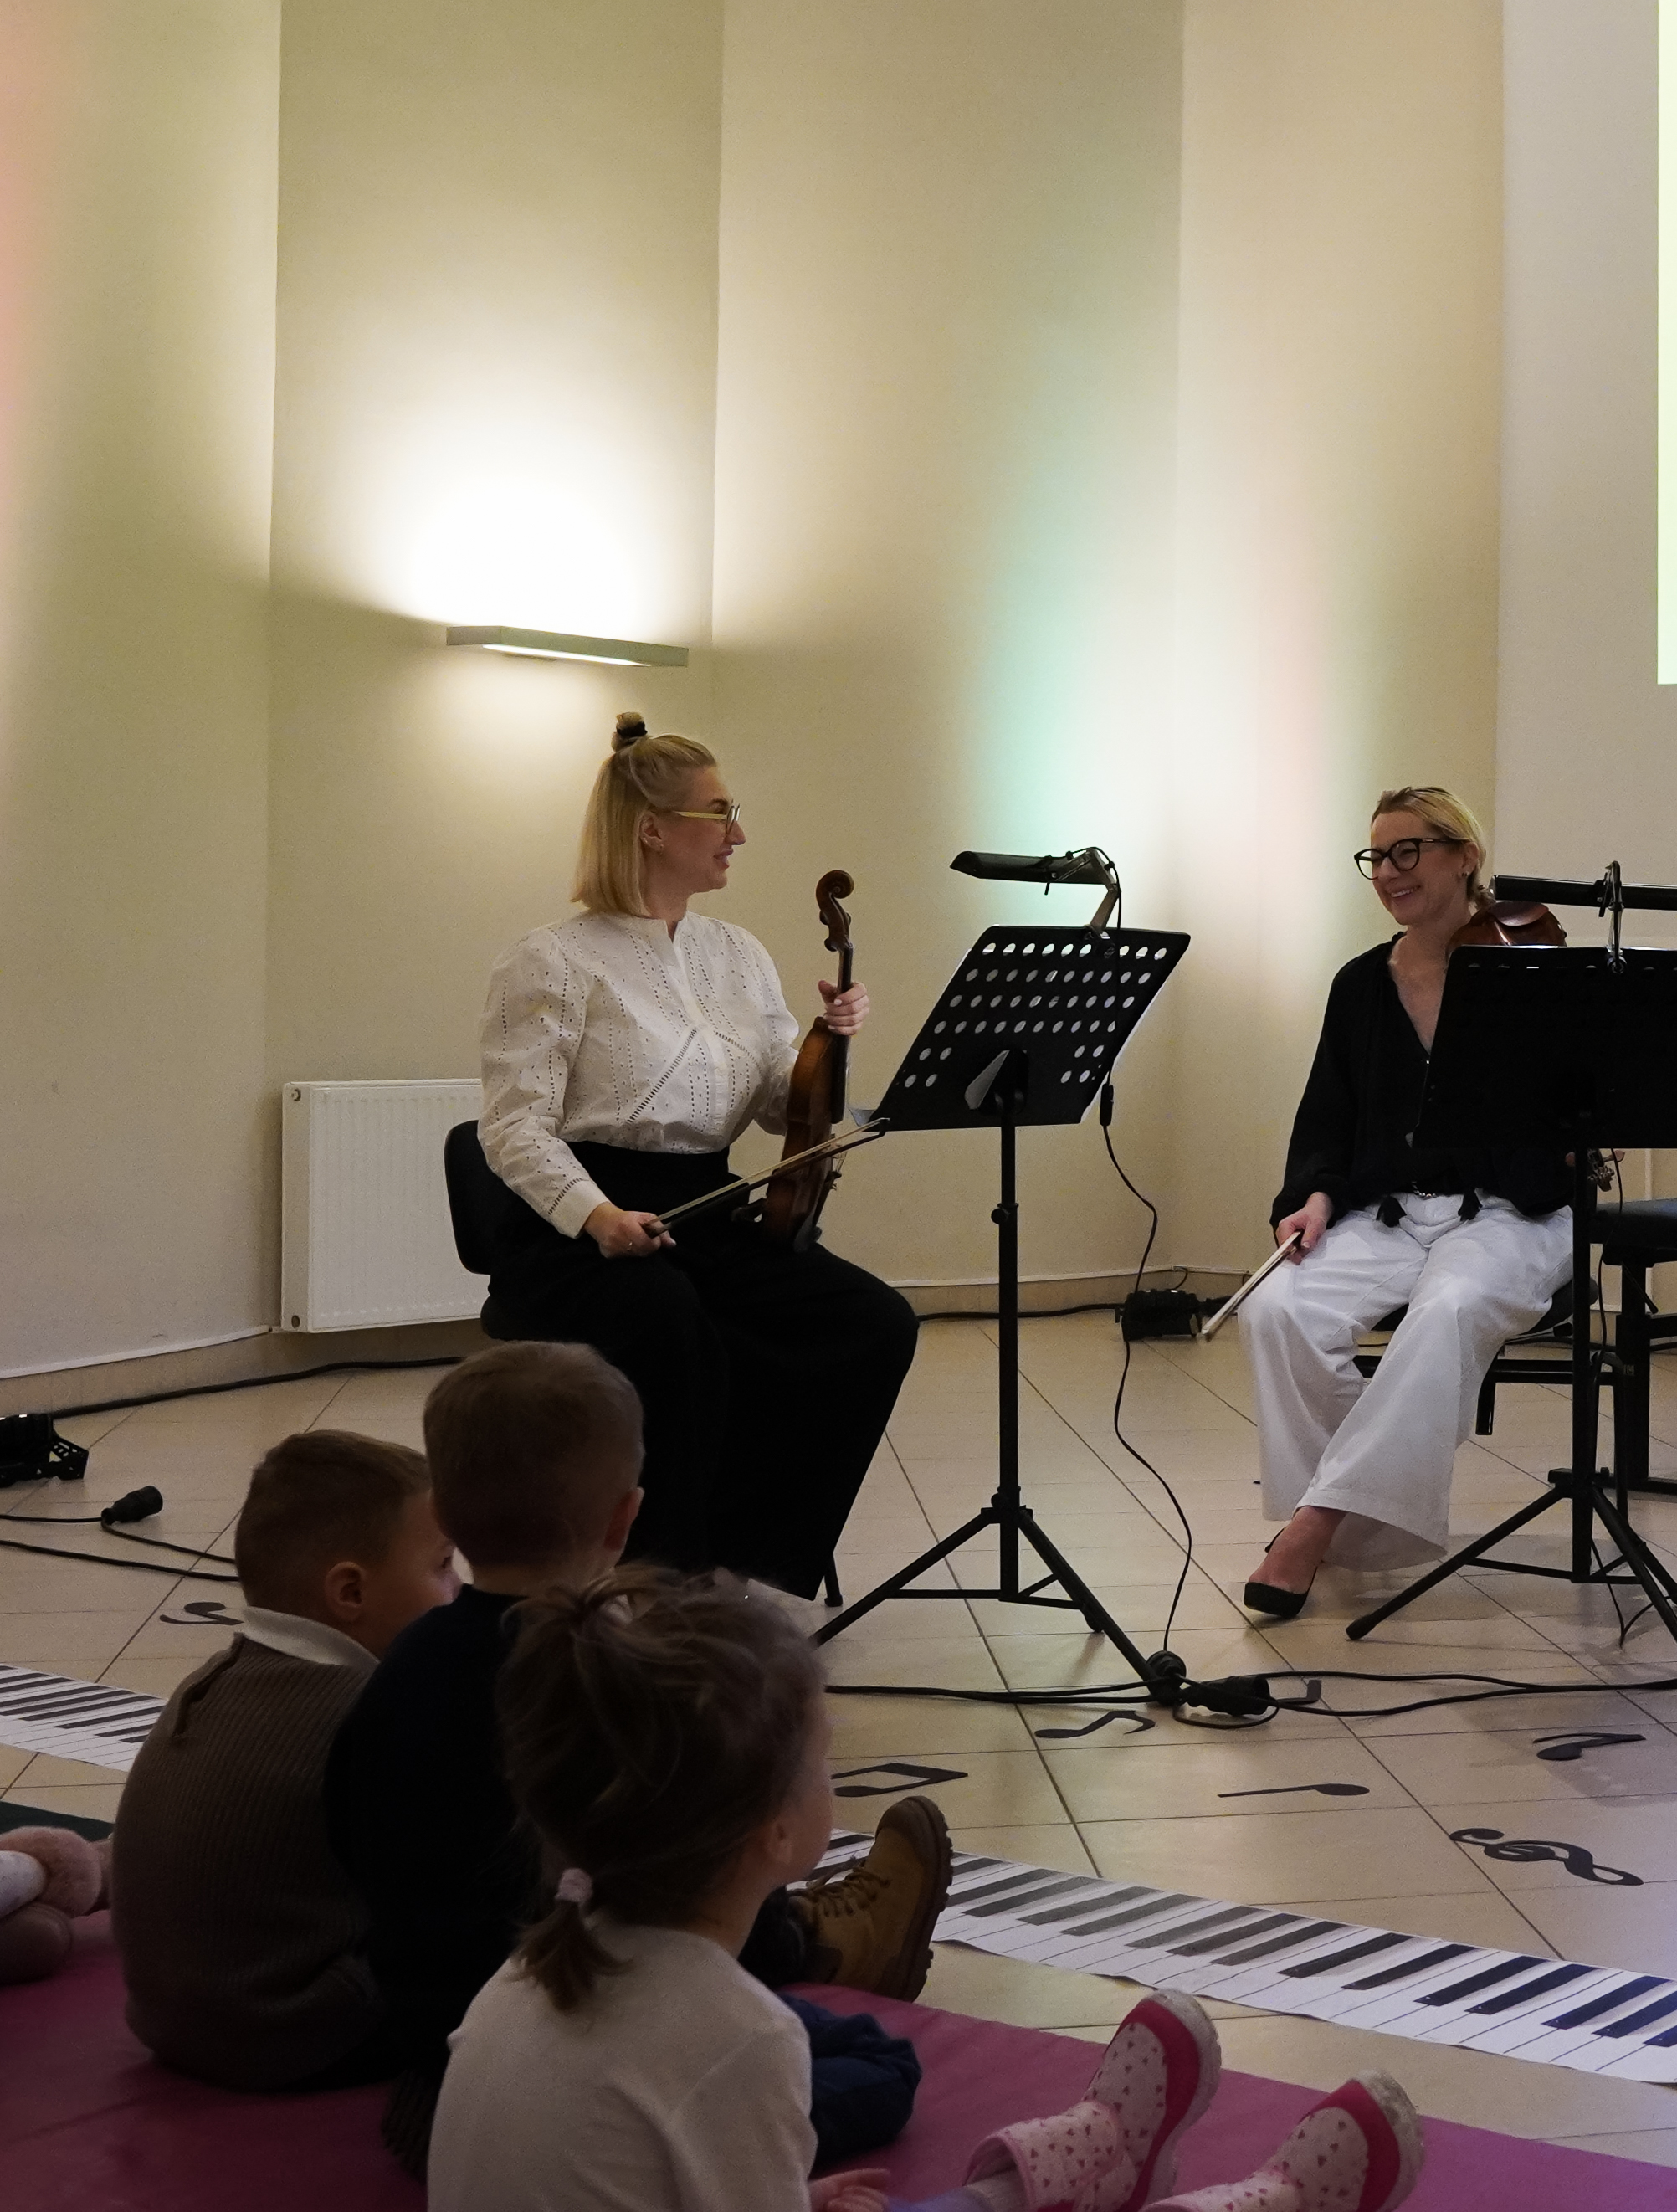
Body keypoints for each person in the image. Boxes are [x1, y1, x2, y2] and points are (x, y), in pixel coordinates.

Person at [436, 1564, 1428, 2212]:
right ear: (773, 1831)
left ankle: (1074, 2170)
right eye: (825, 1756)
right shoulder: (738, 2037)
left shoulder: (533, 1970)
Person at [326, 1342, 952, 2172]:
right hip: (595, 2032)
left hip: (446, 2057)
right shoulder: (617, 1683)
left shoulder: (403, 1662)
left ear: (441, 1509)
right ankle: (812, 1943)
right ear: (625, 1518)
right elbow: (679, 1873)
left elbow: (347, 1829)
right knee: (880, 2063)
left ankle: (818, 1945)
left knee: (815, 2035)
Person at [476, 710, 918, 1593]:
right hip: (584, 1231)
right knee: (673, 1327)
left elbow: (776, 1110)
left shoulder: (737, 955)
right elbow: (513, 1129)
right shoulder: (552, 960)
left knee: (871, 1322)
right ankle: (658, 1573)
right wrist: (599, 1217)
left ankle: (744, 1549)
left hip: (704, 1212)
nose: (737, 835)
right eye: (720, 813)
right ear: (651, 829)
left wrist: (827, 1043)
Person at [1233, 788, 1577, 1619]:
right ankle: (1363, 1520)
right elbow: (1329, 1115)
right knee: (1273, 1307)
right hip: (1389, 1212)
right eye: (1377, 856)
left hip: (1512, 1215)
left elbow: (1577, 1096)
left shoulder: (1525, 966)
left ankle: (1314, 1524)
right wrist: (1313, 1195)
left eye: (1409, 851)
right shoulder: (1361, 984)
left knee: (1447, 1309)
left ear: (1465, 856)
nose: (1389, 871)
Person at [110, 1431, 459, 2089]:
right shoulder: (368, 1709)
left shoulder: (212, 1677)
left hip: (170, 2019)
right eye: (442, 1564)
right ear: (349, 1591)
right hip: (298, 2033)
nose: (458, 1588)